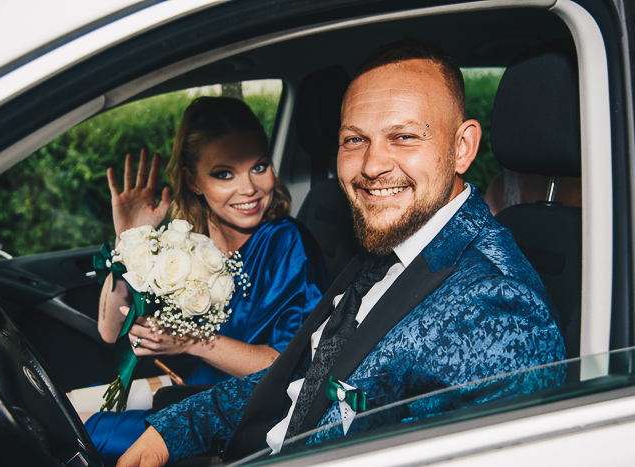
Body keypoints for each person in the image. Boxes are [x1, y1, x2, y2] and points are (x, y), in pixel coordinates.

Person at [117, 38, 566, 467]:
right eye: (355, 139)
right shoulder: (392, 244)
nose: (372, 165)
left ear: (462, 147)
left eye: (404, 136)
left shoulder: (497, 307)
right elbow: (302, 380)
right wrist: (173, 431)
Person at [86, 96, 328, 465]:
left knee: (79, 434)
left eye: (259, 167)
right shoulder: (186, 240)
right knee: (63, 415)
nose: (249, 189)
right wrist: (127, 246)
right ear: (193, 181)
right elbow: (109, 331)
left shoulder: (286, 243)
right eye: (224, 174)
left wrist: (191, 341)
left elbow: (291, 367)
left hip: (242, 417)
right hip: (188, 392)